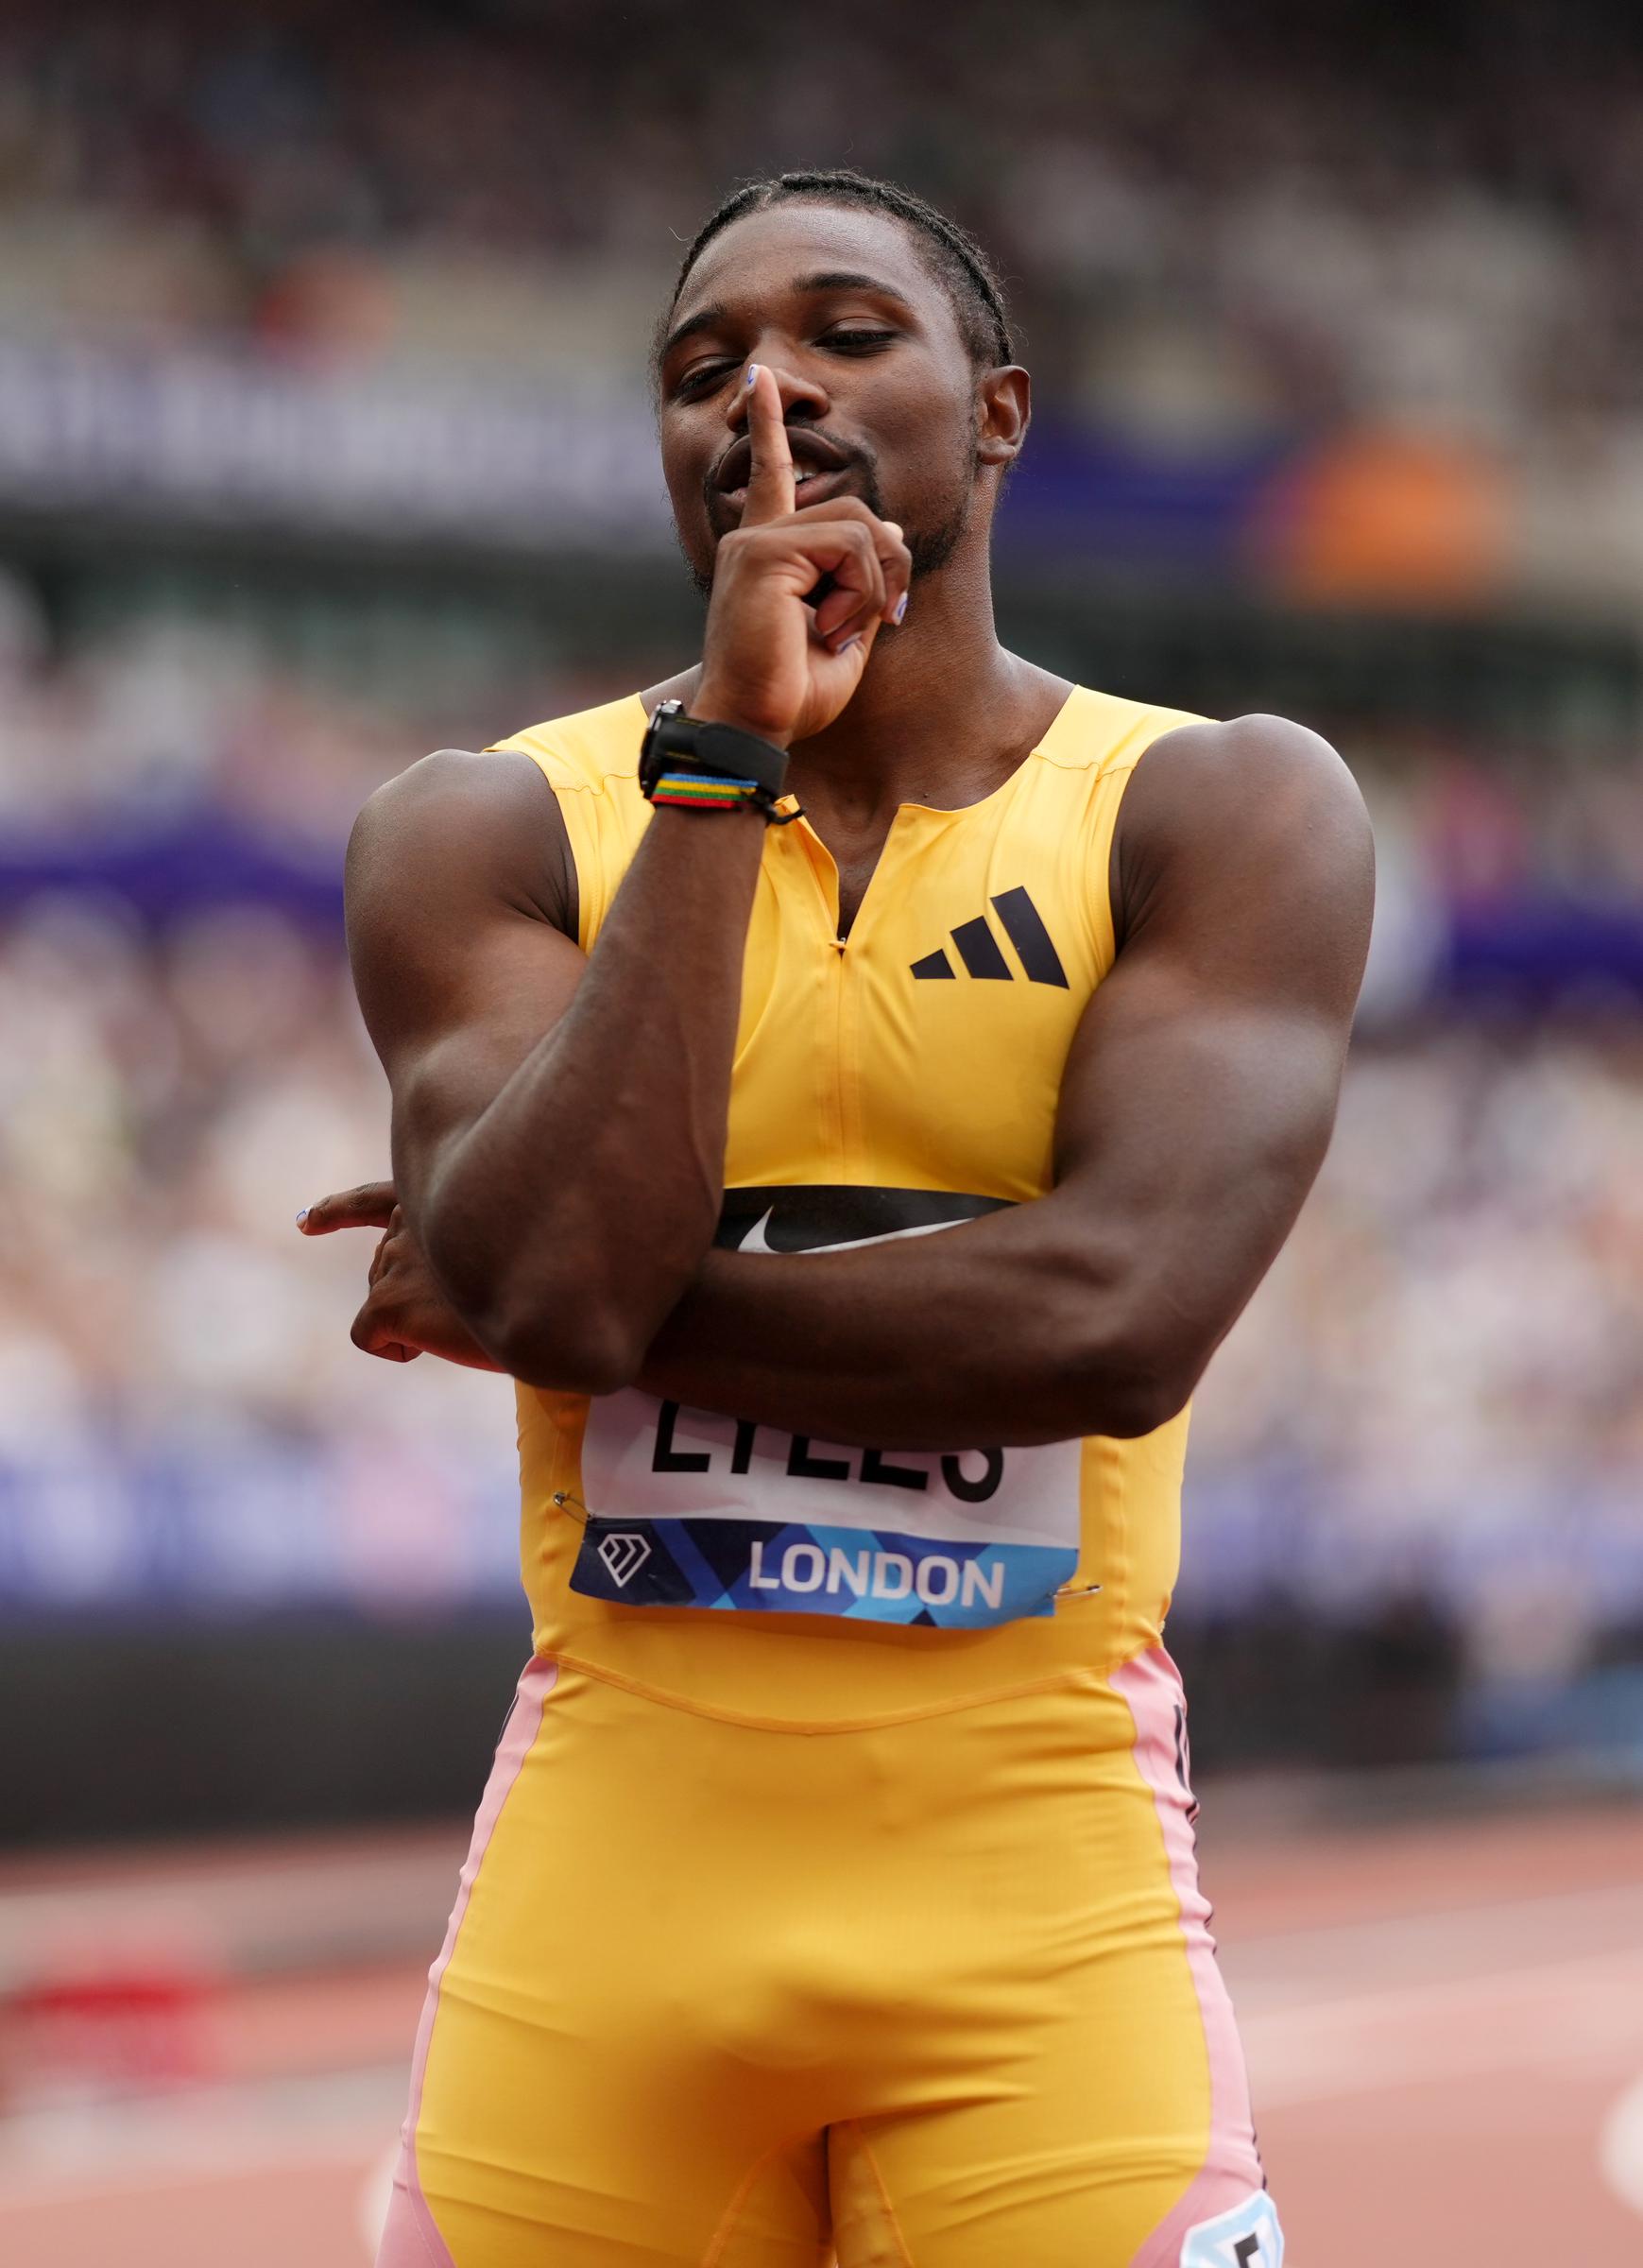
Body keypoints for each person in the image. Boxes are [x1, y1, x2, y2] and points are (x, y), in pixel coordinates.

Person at [302, 170, 1372, 2268]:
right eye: (702, 370)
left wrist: (571, 1306)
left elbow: (1119, 1315)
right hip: (606, 1922)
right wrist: (722, 763)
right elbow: (555, 1276)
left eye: (846, 334)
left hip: (1041, 1911)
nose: (764, 391)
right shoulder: (486, 827)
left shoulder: (1217, 805)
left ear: (998, 410)